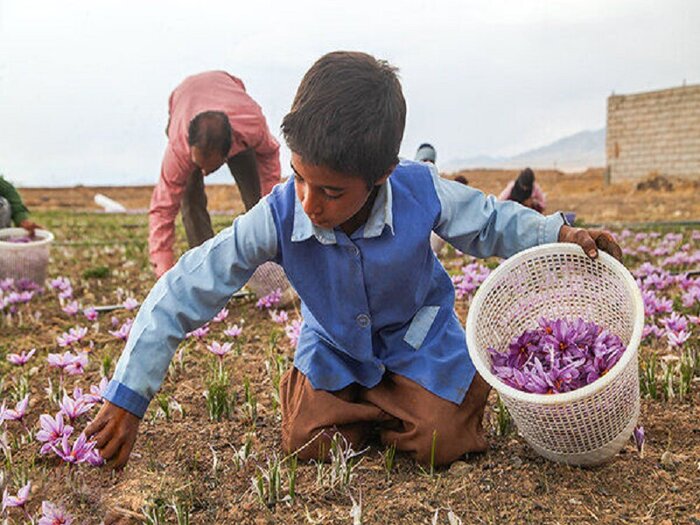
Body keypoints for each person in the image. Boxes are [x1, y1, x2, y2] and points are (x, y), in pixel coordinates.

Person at [86, 51, 622, 470]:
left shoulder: (418, 188)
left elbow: (489, 221)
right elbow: (186, 287)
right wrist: (129, 395)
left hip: (416, 335)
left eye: (332, 191)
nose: (309, 204)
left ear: (382, 173)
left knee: (444, 441)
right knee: (306, 443)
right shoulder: (277, 214)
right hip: (336, 341)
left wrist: (560, 232)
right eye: (298, 178)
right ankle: (384, 406)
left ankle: (407, 404)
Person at [149, 71, 282, 278]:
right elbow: (163, 208)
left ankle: (268, 260)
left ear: (229, 151)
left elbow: (269, 156)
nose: (204, 172)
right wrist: (163, 267)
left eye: (209, 167)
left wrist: (269, 207)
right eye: (198, 164)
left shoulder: (251, 126)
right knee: (190, 197)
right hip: (183, 103)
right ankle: (206, 269)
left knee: (256, 193)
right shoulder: (179, 149)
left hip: (233, 112)